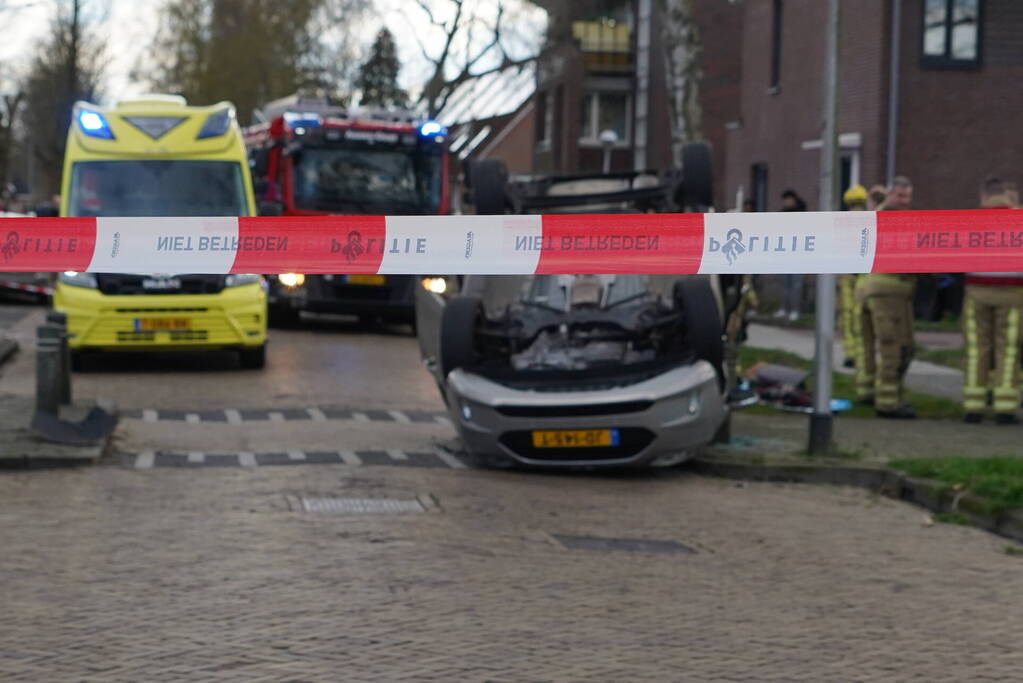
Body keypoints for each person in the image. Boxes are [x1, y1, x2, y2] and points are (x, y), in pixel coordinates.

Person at [961, 177, 1023, 424]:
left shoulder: (970, 222)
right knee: (1007, 351)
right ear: (1007, 196)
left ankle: (973, 406)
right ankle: (1004, 408)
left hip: (976, 293)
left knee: (977, 349)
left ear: (984, 195)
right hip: (1013, 296)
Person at [854, 176, 917, 418]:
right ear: (890, 194)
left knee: (867, 345)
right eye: (900, 196)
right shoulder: (897, 221)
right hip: (889, 293)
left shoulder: (872, 217)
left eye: (907, 197)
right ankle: (888, 402)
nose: (904, 202)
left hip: (866, 290)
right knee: (895, 346)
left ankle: (867, 392)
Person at [839, 185, 868, 367]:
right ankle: (860, 352)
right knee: (859, 316)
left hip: (849, 276)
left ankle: (851, 353)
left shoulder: (844, 222)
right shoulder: (869, 220)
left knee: (849, 317)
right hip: (861, 276)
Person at [775, 189, 807, 322]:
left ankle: (795, 310)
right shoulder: (782, 215)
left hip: (798, 254)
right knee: (785, 283)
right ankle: (784, 308)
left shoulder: (802, 214)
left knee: (796, 284)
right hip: (785, 253)